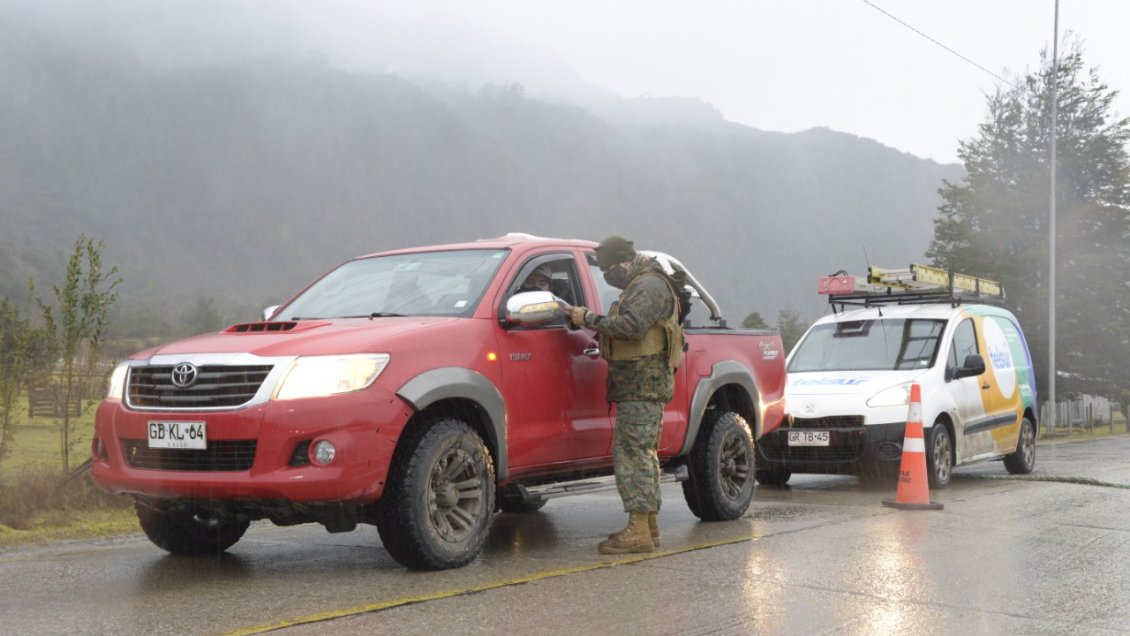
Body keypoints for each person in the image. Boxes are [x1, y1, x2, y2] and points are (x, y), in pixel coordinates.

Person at [566, 235, 684, 554]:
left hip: (642, 386)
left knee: (632, 455)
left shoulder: (647, 285)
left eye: (608, 269)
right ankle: (648, 525)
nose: (607, 276)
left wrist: (586, 319)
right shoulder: (641, 284)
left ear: (623, 261)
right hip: (638, 385)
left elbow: (631, 327)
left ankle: (638, 530)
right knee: (642, 453)